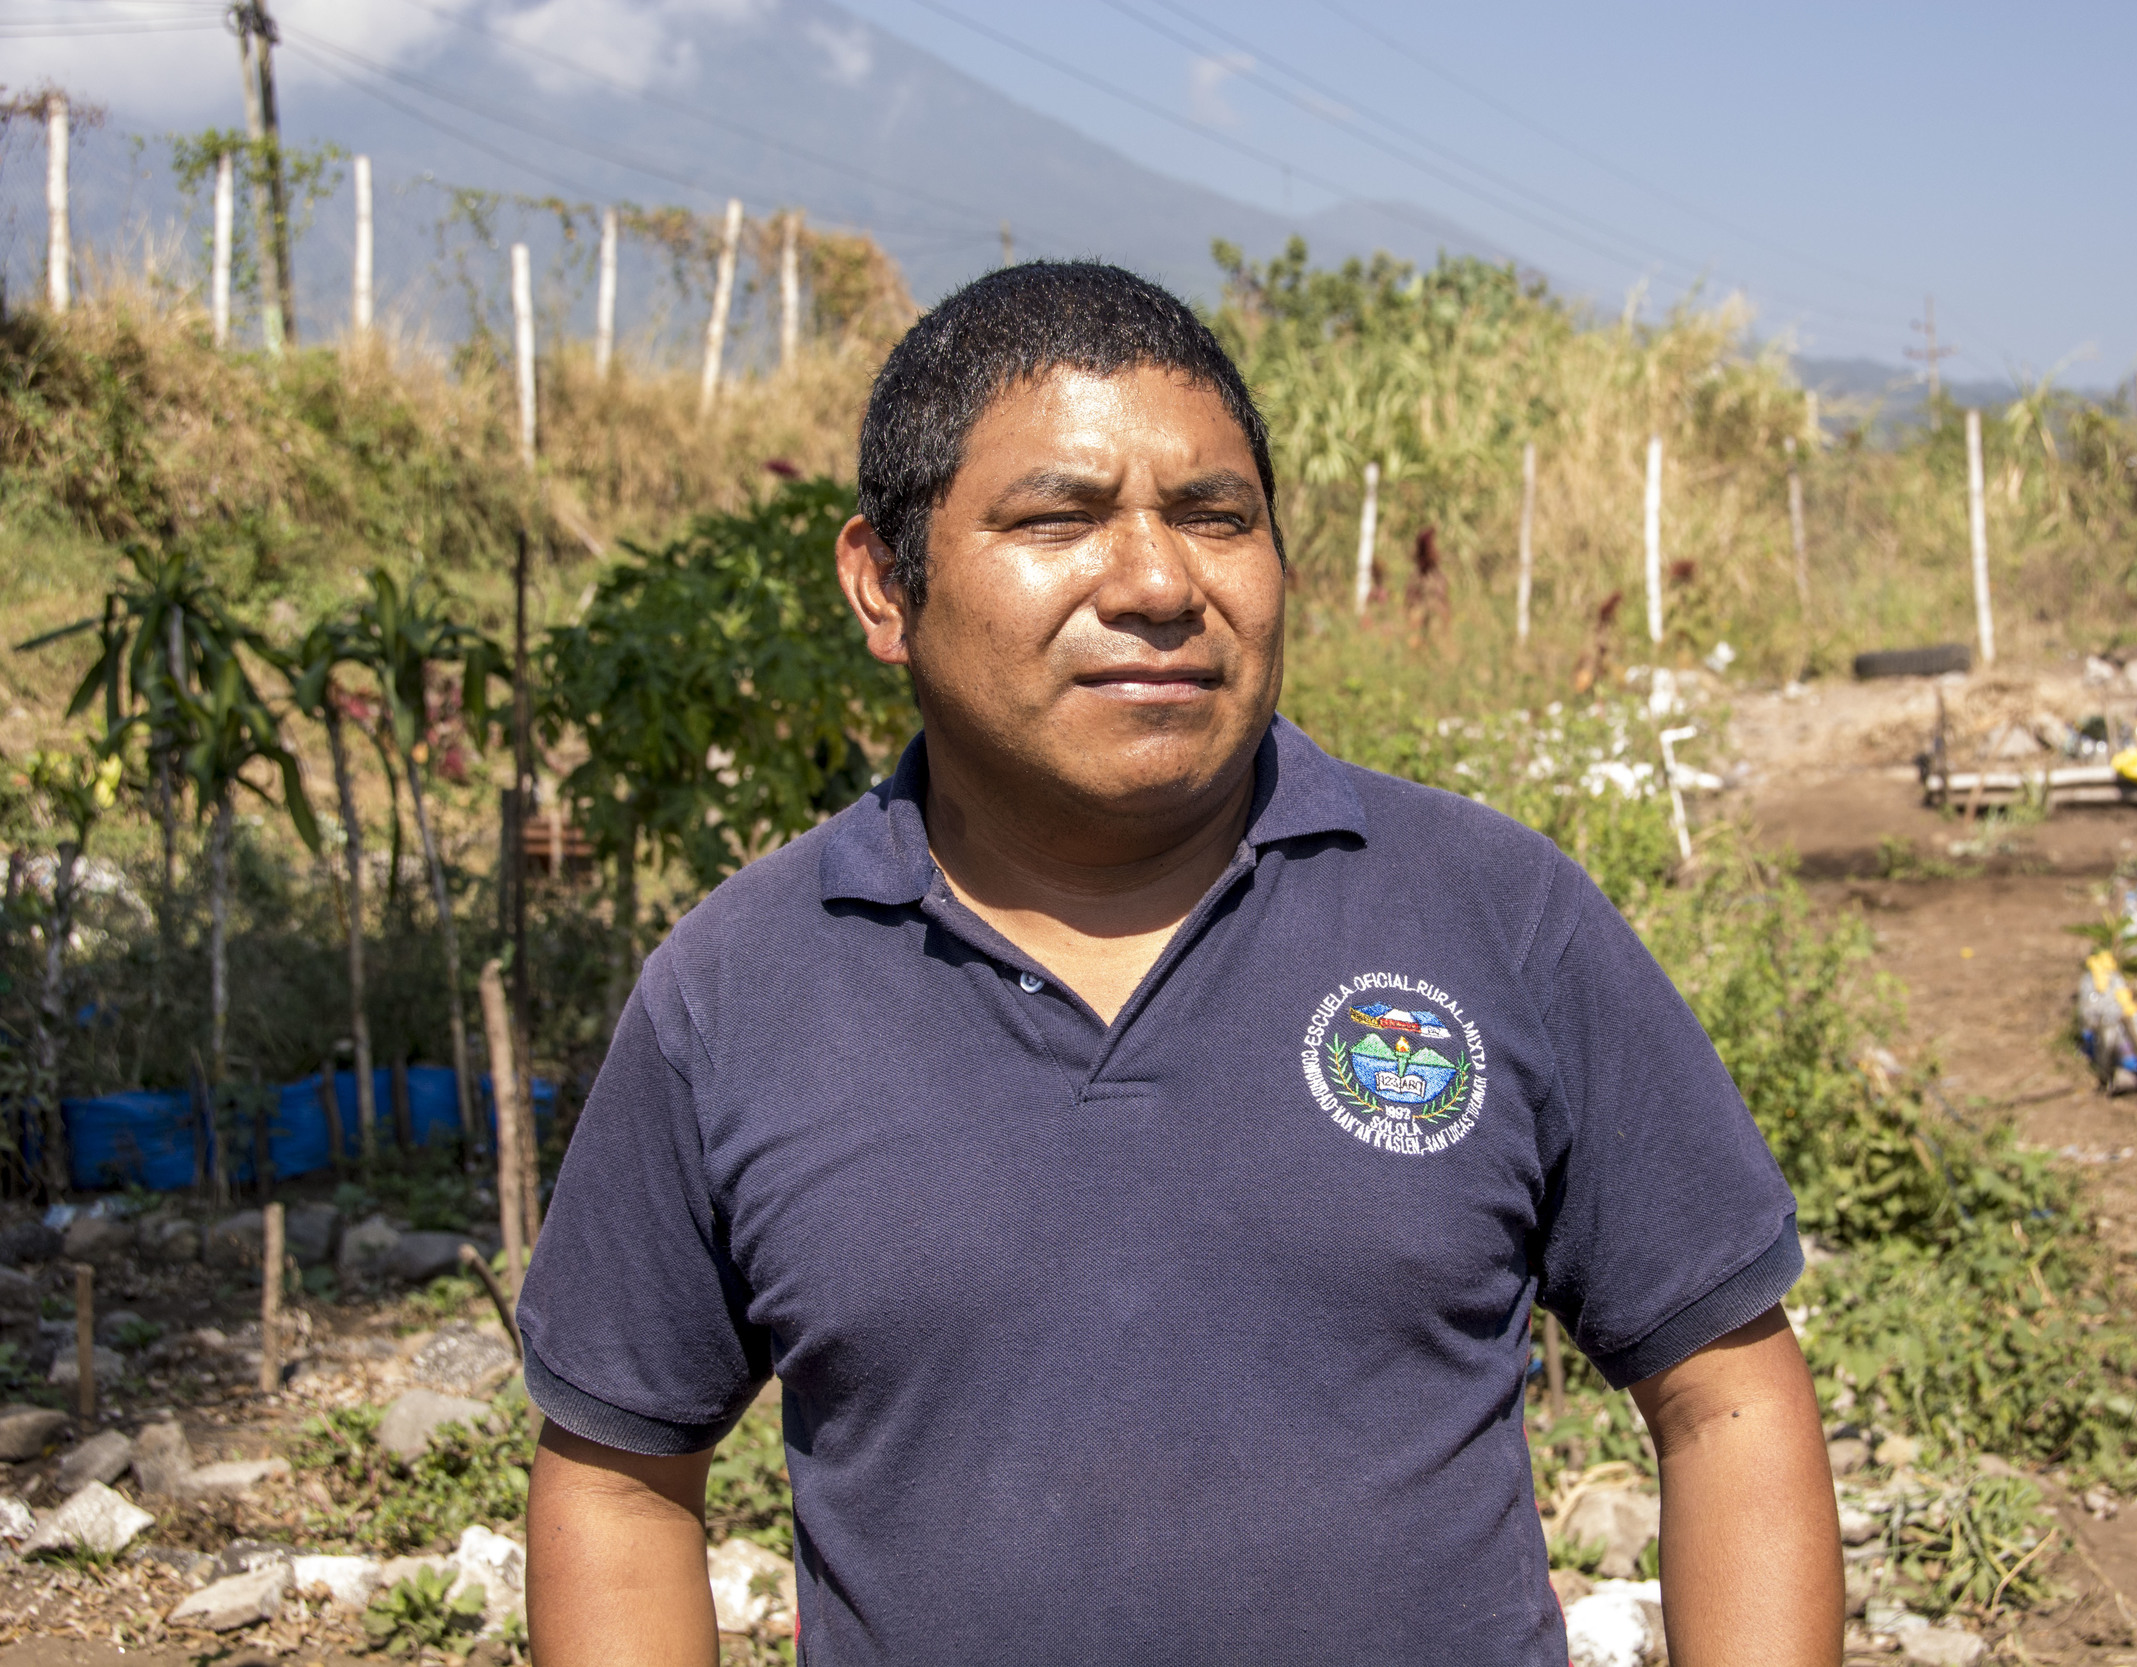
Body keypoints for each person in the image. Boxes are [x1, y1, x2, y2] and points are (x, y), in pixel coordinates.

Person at [519, 261, 1842, 1666]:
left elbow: (1729, 1400)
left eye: (1217, 517)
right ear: (882, 584)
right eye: (1057, 519)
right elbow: (616, 1484)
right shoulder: (742, 990)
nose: (1158, 582)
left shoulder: (1492, 916)